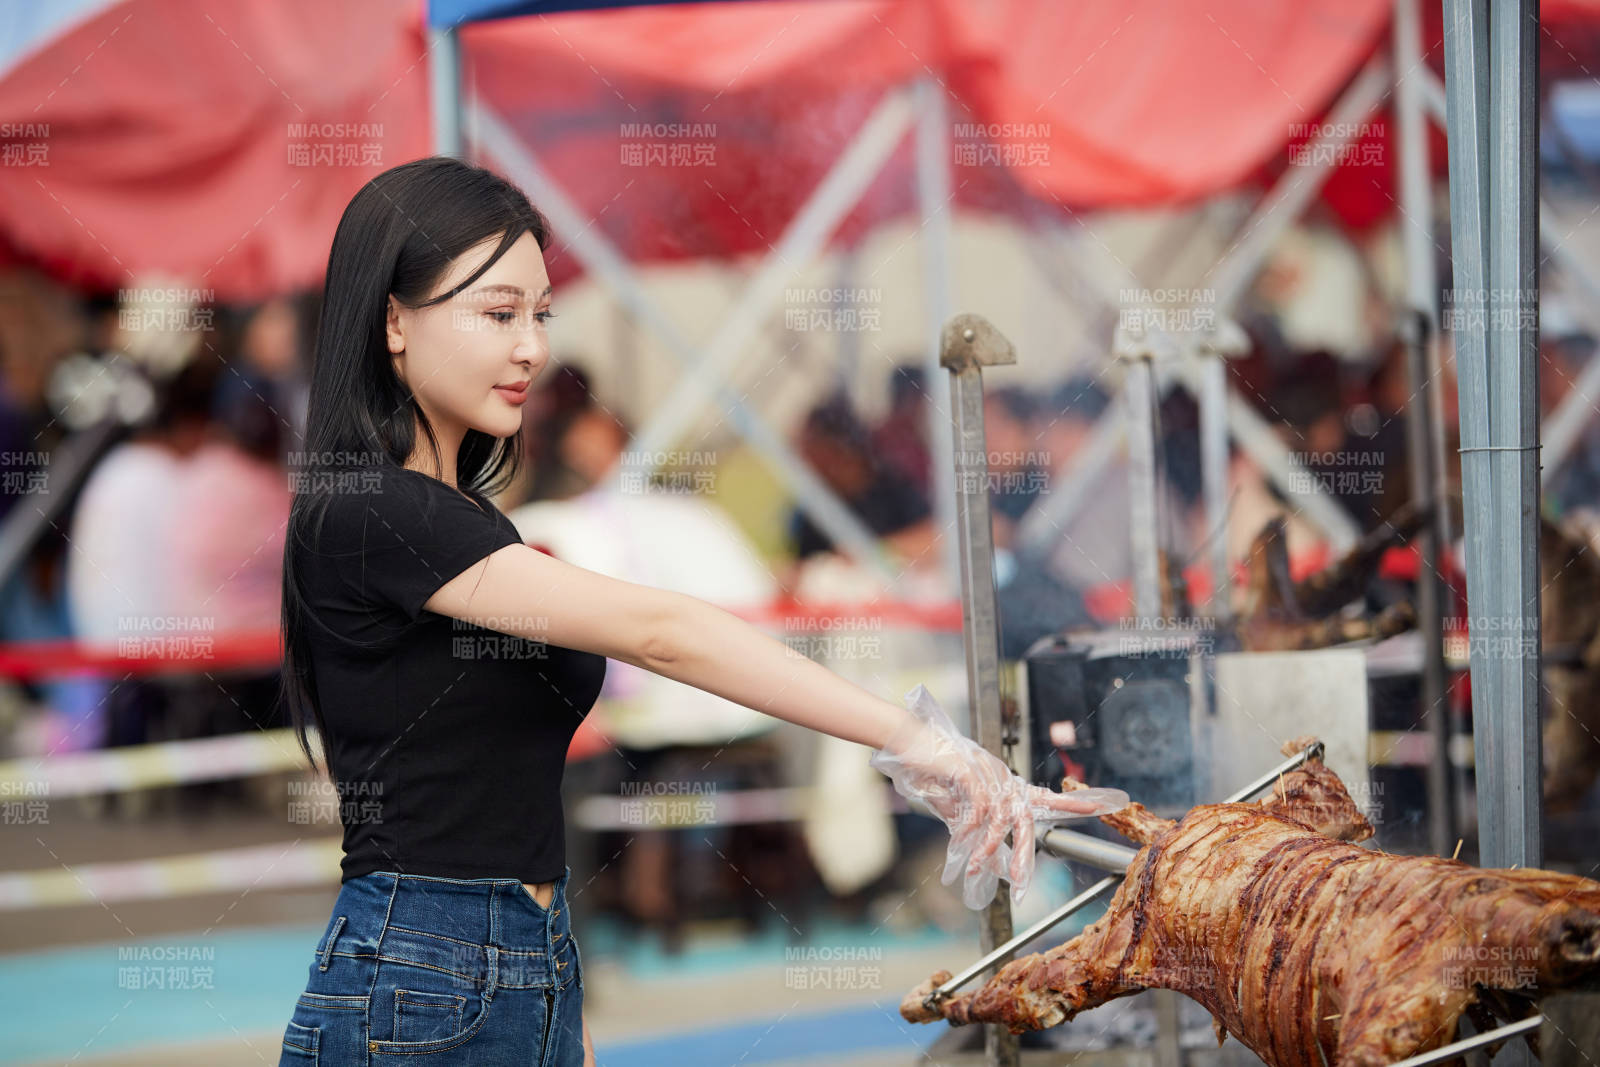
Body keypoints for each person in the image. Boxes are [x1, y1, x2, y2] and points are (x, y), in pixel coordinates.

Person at [275, 157, 1123, 1066]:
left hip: (520, 956)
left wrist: (556, 996)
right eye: (498, 313)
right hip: (420, 965)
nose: (532, 348)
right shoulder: (372, 513)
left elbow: (507, 788)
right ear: (393, 321)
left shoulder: (464, 521)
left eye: (541, 314)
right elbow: (664, 634)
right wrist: (919, 743)